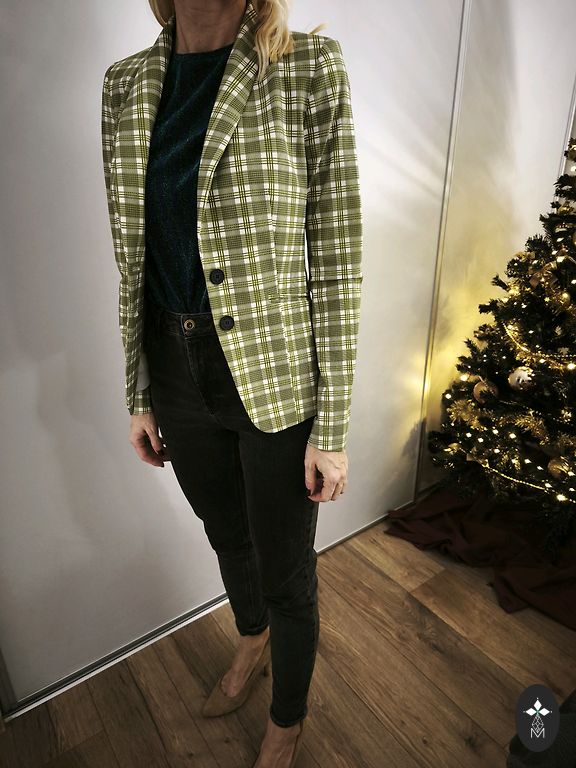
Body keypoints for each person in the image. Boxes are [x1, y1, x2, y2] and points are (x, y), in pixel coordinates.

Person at [100, 0, 362, 765]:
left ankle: (288, 718)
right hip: (173, 365)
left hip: (272, 373)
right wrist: (139, 393)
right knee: (226, 533)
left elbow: (338, 262)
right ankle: (252, 639)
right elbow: (131, 257)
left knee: (286, 567)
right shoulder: (124, 84)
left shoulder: (308, 69)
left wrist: (333, 429)